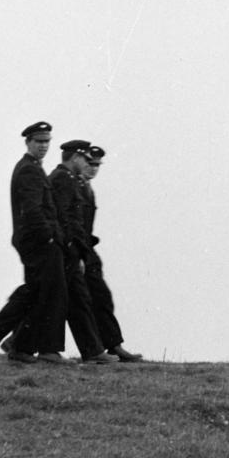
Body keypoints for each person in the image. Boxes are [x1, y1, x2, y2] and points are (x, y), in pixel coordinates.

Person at [0, 123, 69, 365]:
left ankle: (5, 340)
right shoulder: (28, 170)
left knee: (35, 291)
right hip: (39, 242)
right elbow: (33, 209)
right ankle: (36, 347)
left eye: (47, 142)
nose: (43, 146)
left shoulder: (33, 168)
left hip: (36, 241)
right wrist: (49, 236)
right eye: (38, 141)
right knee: (49, 292)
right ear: (28, 143)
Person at [48, 140, 111, 364]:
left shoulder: (72, 180)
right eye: (86, 160)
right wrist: (75, 250)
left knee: (73, 299)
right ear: (75, 157)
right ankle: (92, 350)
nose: (89, 165)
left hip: (74, 247)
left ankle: (94, 350)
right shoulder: (64, 179)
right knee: (67, 298)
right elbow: (65, 218)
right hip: (70, 248)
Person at [81, 145, 142, 362]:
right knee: (65, 298)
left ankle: (113, 345)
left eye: (97, 165)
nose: (93, 169)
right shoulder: (72, 185)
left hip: (86, 250)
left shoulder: (86, 187)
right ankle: (113, 346)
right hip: (78, 252)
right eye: (89, 164)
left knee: (99, 298)